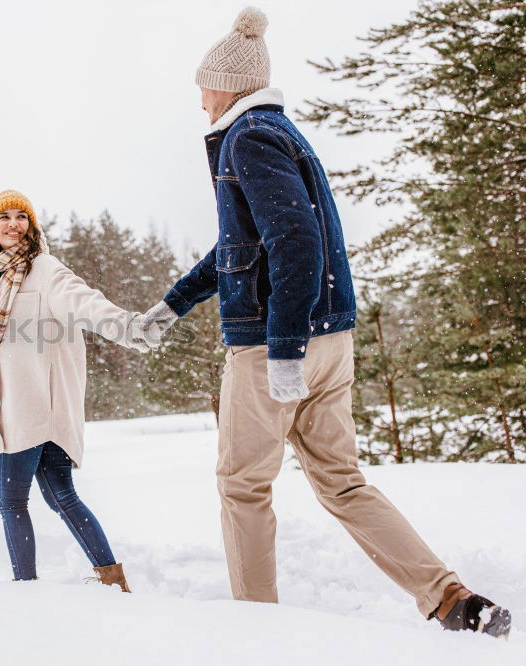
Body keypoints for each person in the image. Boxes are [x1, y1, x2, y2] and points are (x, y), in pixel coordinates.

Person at [138, 8, 511, 638]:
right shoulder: (279, 134)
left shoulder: (247, 138)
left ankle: (257, 631)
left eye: (203, 85)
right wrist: (175, 303)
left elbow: (296, 242)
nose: (198, 99)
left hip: (275, 346)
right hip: (330, 338)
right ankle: (450, 598)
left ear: (229, 85)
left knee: (242, 486)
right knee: (340, 482)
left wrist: (283, 348)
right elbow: (243, 245)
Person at [0, 189, 152, 590]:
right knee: (61, 497)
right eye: (4, 218)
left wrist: (127, 325)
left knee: (12, 502)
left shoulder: (44, 268)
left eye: (21, 217)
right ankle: (113, 580)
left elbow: (84, 301)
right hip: (31, 408)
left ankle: (26, 589)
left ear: (32, 226)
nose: (13, 224)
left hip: (27, 409)